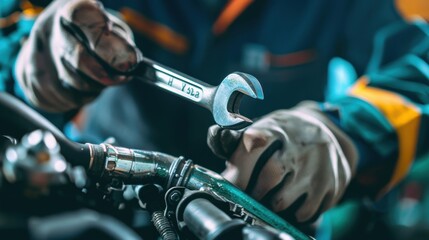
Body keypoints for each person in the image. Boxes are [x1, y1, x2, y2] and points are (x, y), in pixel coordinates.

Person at [2, 0, 429, 227]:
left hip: (262, 217)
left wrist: (343, 131)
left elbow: (419, 64)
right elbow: (15, 19)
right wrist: (26, 55)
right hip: (99, 203)